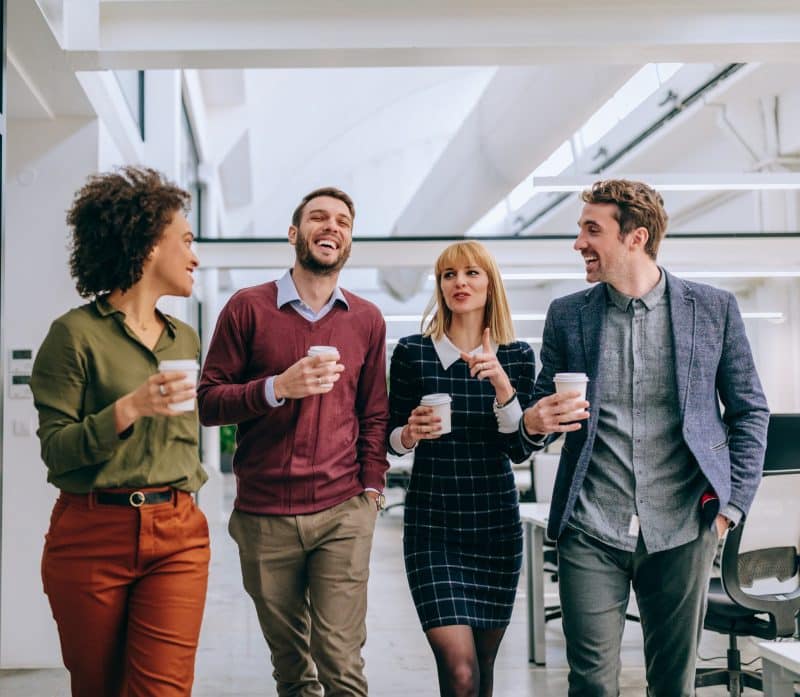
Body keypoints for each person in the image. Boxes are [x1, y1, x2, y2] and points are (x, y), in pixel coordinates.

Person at [520, 179, 770, 697]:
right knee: (590, 683)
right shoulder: (569, 315)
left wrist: (731, 508)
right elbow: (538, 416)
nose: (578, 243)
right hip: (592, 524)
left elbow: (750, 412)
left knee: (673, 684)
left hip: (683, 526)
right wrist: (534, 422)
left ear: (635, 237)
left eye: (592, 230)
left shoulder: (713, 310)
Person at [197, 187, 389, 697]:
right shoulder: (247, 308)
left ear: (349, 241)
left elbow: (373, 413)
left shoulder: (366, 319)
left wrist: (371, 488)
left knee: (340, 660)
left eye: (343, 222)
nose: (332, 227)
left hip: (343, 509)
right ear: (294, 233)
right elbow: (208, 402)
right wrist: (276, 388)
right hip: (264, 515)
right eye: (318, 218)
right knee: (292, 668)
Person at [30, 166, 208, 697]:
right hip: (91, 535)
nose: (194, 256)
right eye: (186, 240)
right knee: (97, 688)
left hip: (177, 532)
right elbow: (57, 453)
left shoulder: (187, 339)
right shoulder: (73, 335)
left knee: (161, 692)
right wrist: (127, 408)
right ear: (151, 245)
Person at [388, 240, 536, 697]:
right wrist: (409, 433)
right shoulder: (413, 352)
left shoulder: (516, 357)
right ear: (440, 287)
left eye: (472, 273)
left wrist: (500, 383)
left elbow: (520, 448)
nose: (460, 283)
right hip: (434, 528)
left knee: (484, 669)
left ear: (489, 284)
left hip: (495, 526)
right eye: (449, 275)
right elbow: (389, 440)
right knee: (460, 671)